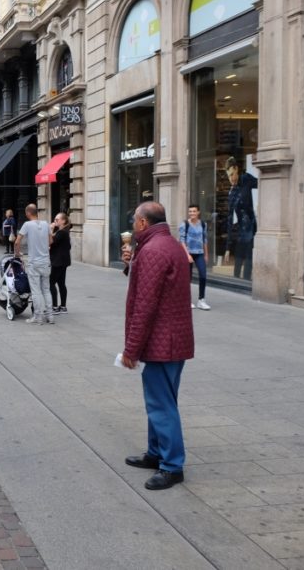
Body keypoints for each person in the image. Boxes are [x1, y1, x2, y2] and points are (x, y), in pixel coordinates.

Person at [119, 201, 194, 491]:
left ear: (142, 224)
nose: (134, 225)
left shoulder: (151, 250)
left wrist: (131, 350)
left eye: (135, 220)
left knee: (161, 405)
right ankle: (156, 452)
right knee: (162, 401)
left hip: (163, 340)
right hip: (175, 338)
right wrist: (131, 265)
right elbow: (155, 286)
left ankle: (172, 465)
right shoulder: (169, 244)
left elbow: (145, 306)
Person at [15, 204, 53, 325]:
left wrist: (17, 253)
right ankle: (50, 316)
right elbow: (51, 241)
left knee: (36, 291)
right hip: (46, 261)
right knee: (46, 290)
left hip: (34, 262)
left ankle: (38, 316)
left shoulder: (27, 225)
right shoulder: (46, 224)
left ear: (28, 213)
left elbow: (17, 241)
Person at [224, 157, 257, 280]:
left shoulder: (246, 179)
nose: (231, 179)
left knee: (248, 263)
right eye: (228, 176)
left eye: (232, 174)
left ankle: (247, 282)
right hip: (240, 233)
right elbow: (229, 220)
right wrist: (227, 248)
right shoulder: (231, 194)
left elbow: (263, 183)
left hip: (251, 229)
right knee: (237, 267)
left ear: (237, 169)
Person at [179, 205, 211, 310]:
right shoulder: (184, 224)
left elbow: (204, 239)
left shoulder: (203, 224)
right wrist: (187, 255)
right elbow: (182, 240)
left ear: (198, 212)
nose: (192, 213)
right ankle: (187, 300)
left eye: (194, 211)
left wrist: (206, 254)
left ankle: (201, 300)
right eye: (190, 211)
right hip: (188, 253)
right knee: (188, 278)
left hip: (199, 253)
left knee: (203, 275)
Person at [49, 212, 71, 314]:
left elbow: (51, 242)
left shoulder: (62, 232)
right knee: (61, 283)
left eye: (57, 220)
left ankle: (54, 307)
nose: (55, 221)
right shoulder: (63, 231)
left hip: (58, 261)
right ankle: (63, 307)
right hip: (63, 261)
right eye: (54, 219)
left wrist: (51, 230)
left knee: (51, 283)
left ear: (63, 221)